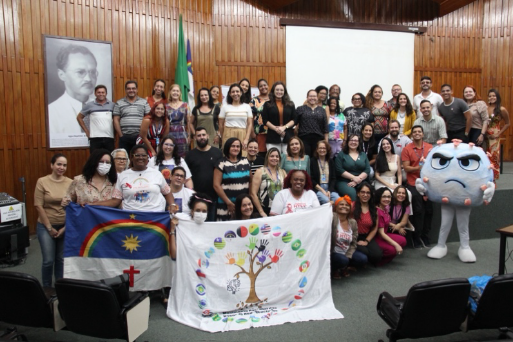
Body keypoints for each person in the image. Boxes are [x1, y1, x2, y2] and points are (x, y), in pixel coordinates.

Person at [34, 153, 73, 287]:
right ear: (52, 165)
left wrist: (66, 227)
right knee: (48, 260)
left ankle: (60, 288)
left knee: (61, 260)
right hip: (46, 226)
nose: (62, 167)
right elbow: (38, 206)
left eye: (64, 165)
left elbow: (74, 207)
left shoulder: (70, 182)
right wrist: (49, 228)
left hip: (64, 225)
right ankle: (46, 288)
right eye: (59, 164)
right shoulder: (42, 181)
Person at [106, 145, 176, 212]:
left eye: (144, 155)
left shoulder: (157, 174)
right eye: (137, 155)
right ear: (131, 158)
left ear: (147, 158)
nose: (141, 157)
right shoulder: (123, 176)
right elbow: (116, 200)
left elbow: (167, 192)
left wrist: (172, 205)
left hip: (155, 218)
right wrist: (96, 204)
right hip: (131, 218)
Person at [48, 44, 98, 135]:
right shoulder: (51, 113)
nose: (89, 79)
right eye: (80, 72)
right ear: (62, 75)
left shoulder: (103, 107)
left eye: (92, 72)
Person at [401, 125, 433, 248]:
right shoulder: (407, 149)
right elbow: (407, 168)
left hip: (429, 184)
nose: (417, 133)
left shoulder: (429, 148)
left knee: (429, 210)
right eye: (415, 132)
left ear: (423, 134)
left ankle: (425, 236)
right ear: (412, 135)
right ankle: (416, 237)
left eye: (419, 132)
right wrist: (419, 168)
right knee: (418, 210)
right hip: (413, 183)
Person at [185, 127, 223, 221]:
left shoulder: (217, 153)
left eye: (203, 135)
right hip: (196, 198)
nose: (202, 137)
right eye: (199, 135)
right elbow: (187, 177)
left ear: (208, 136)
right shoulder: (190, 155)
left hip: (213, 197)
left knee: (211, 226)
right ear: (195, 138)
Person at [213, 137, 251, 221]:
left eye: (238, 146)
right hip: (226, 205)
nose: (235, 148)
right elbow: (216, 185)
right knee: (226, 231)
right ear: (227, 147)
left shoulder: (245, 161)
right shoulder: (221, 163)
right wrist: (228, 203)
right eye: (233, 146)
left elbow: (250, 181)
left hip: (243, 206)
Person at [330, 195, 368, 279]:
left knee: (362, 259)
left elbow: (354, 242)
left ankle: (344, 266)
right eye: (341, 204)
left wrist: (348, 255)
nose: (344, 206)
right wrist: (329, 204)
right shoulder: (332, 217)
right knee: (342, 260)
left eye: (347, 205)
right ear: (336, 207)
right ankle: (334, 269)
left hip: (346, 251)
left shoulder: (353, 222)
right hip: (333, 252)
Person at [169, 193, 213, 260]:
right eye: (198, 210)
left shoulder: (210, 230)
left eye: (204, 211)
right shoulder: (181, 222)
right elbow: (174, 255)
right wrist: (172, 230)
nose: (201, 213)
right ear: (192, 211)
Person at [113, 80, 151, 153]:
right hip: (124, 137)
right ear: (125, 90)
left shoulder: (144, 102)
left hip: (139, 137)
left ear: (137, 90)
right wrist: (121, 135)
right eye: (129, 88)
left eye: (133, 88)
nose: (131, 90)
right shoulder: (119, 103)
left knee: (139, 158)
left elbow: (149, 117)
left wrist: (143, 134)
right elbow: (116, 120)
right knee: (124, 159)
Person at [77, 85, 115, 152]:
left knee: (109, 158)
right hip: (94, 138)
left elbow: (116, 120)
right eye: (99, 92)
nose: (101, 94)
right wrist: (86, 131)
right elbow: (79, 117)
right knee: (95, 158)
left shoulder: (112, 105)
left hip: (109, 137)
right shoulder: (89, 105)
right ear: (95, 93)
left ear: (106, 93)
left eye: (103, 92)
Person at [261, 81, 297, 154]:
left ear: (284, 91)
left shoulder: (291, 104)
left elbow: (294, 120)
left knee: (287, 159)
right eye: (277, 90)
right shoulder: (267, 104)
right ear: (273, 91)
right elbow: (265, 120)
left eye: (281, 90)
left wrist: (284, 127)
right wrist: (276, 129)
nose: (279, 92)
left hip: (288, 136)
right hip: (272, 136)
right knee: (273, 158)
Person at [374, 187, 406, 265]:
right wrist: (396, 245)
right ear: (379, 197)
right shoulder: (378, 211)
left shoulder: (384, 208)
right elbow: (381, 233)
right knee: (393, 249)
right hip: (377, 237)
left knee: (403, 240)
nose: (387, 199)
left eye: (388, 197)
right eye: (384, 196)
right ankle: (377, 261)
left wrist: (397, 226)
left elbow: (387, 222)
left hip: (384, 234)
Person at [250, 147, 287, 217]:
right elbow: (253, 194)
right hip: (264, 209)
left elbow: (287, 191)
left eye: (277, 156)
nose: (274, 158)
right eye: (272, 156)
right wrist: (261, 211)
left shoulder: (283, 172)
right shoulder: (260, 171)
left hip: (280, 209)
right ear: (267, 158)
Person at [218, 84, 253, 156]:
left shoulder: (247, 106)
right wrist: (223, 137)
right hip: (228, 133)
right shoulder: (225, 106)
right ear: (230, 94)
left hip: (242, 133)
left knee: (242, 156)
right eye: (233, 92)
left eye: (237, 91)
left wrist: (246, 139)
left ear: (241, 93)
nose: (235, 93)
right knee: (228, 156)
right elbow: (221, 124)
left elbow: (249, 124)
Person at [353, 183, 382, 266]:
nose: (365, 195)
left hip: (366, 236)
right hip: (354, 236)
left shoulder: (374, 209)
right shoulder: (352, 206)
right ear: (358, 193)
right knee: (365, 252)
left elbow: (374, 228)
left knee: (377, 255)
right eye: (362, 192)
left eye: (368, 193)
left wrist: (366, 241)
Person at [335, 134, 370, 200]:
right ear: (347, 142)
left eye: (356, 140)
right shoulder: (341, 154)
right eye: (351, 140)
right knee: (352, 194)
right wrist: (354, 178)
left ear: (359, 142)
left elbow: (367, 169)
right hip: (345, 181)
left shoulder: (363, 154)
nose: (353, 142)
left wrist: (357, 180)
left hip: (361, 180)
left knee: (367, 192)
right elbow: (339, 170)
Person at [486, 89, 510, 181]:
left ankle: (493, 179)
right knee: (485, 156)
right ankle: (485, 178)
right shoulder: (486, 108)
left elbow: (508, 123)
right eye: (490, 96)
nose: (492, 97)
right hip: (485, 135)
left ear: (497, 97)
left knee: (493, 157)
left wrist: (498, 134)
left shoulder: (501, 109)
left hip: (494, 137)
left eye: (494, 96)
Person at [296, 89, 329, 156]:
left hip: (318, 139)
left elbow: (325, 128)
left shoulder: (322, 110)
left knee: (316, 159)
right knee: (305, 158)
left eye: (314, 96)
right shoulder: (300, 109)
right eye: (310, 96)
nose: (312, 98)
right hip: (304, 138)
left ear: (317, 98)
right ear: (307, 97)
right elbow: (295, 123)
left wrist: (326, 142)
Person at [166, 84, 190, 157]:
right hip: (170, 133)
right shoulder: (166, 106)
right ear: (170, 92)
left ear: (180, 93)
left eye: (177, 91)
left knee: (183, 156)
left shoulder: (185, 105)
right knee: (171, 154)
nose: (175, 93)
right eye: (173, 91)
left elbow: (189, 122)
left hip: (183, 134)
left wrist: (189, 135)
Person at [250, 79, 270, 154]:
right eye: (261, 86)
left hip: (272, 132)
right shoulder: (254, 100)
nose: (263, 87)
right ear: (258, 88)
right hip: (259, 131)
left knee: (271, 153)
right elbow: (250, 118)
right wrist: (252, 131)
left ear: (268, 86)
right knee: (261, 153)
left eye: (265, 85)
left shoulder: (273, 99)